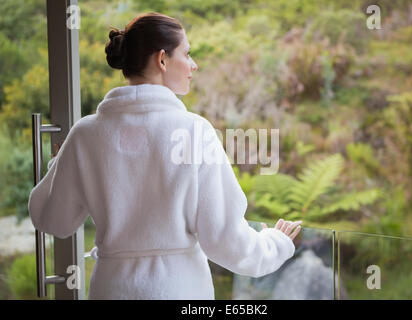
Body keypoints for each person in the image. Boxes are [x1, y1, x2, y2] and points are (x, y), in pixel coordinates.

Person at [28, 12, 302, 300]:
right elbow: (225, 240)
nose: (193, 65)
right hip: (178, 291)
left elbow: (53, 220)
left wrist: (59, 165)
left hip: (110, 290)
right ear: (162, 59)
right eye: (187, 53)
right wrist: (277, 243)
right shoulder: (195, 131)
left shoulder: (84, 134)